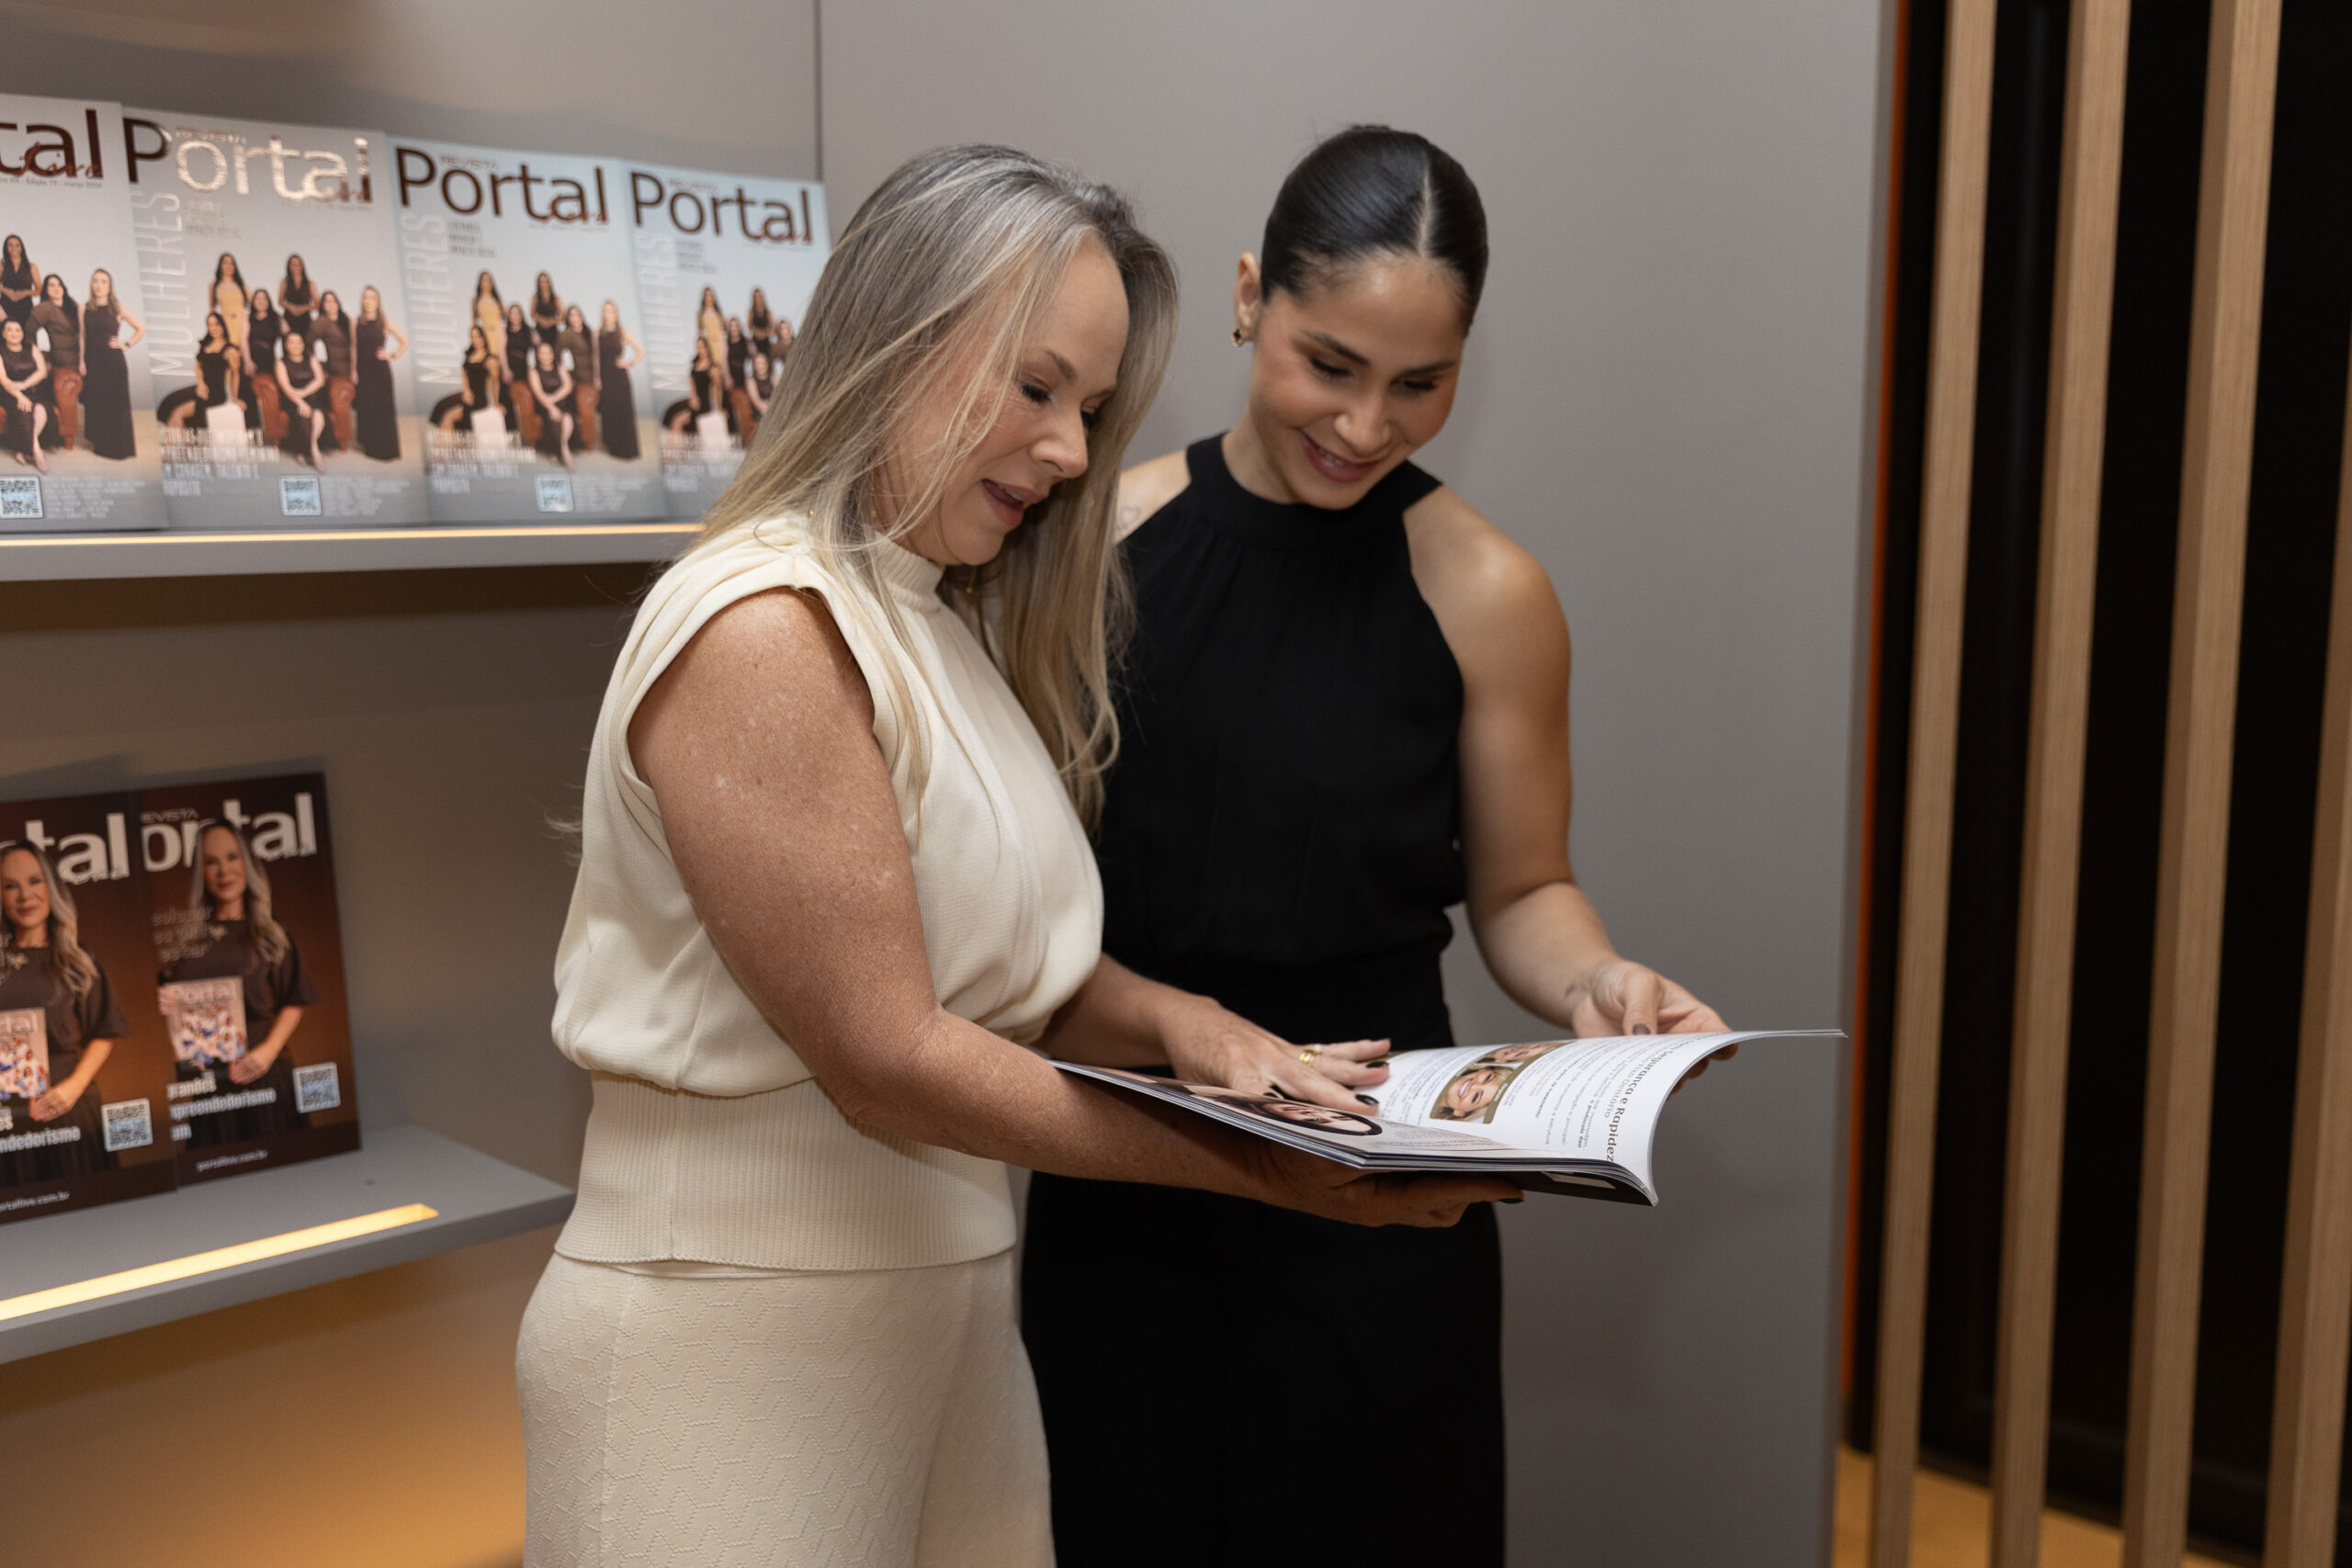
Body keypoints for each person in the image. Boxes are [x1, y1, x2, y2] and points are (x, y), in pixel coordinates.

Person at [514, 143, 1511, 1568]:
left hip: (944, 1320)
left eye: (1088, 409)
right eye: (1036, 389)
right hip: (731, 1332)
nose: (1068, 452)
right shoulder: (765, 624)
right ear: (897, 336)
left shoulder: (934, 614)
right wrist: (1263, 1168)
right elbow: (889, 1055)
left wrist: (1187, 1023)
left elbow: (1003, 978)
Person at [1020, 126, 1728, 1568]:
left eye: (1420, 383)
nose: (1364, 424)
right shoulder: (1096, 547)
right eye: (1329, 364)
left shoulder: (1489, 591)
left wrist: (1595, 980)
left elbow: (1523, 887)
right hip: (1130, 1170)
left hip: (1381, 1196)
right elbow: (1013, 912)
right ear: (1248, 298)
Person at [160, 822, 317, 1148]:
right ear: (201, 872)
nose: (224, 871)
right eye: (212, 861)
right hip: (210, 1088)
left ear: (248, 862)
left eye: (232, 857)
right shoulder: (185, 941)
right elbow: (175, 1014)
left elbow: (296, 998)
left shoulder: (272, 934)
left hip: (264, 1074)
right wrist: (162, 1003)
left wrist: (267, 1053)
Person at [0, 844, 130, 1187]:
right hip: (6, 1125)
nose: (25, 896)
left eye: (35, 881)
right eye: (10, 886)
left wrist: (71, 1090)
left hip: (68, 1112)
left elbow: (104, 1031)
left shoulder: (78, 961)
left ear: (51, 887)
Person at [79, 269, 141, 460]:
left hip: (113, 362)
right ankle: (100, 442)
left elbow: (141, 329)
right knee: (97, 401)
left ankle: (117, 447)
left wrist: (126, 344)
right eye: (95, 281)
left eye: (103, 281)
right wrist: (81, 360)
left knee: (115, 404)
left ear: (109, 286)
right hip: (92, 360)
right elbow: (82, 336)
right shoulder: (83, 308)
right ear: (91, 284)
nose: (99, 285)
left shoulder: (118, 309)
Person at [352, 285, 405, 460]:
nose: (368, 301)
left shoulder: (385, 322)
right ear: (362, 300)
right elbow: (353, 348)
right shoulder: (355, 322)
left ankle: (385, 449)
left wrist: (391, 355)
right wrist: (353, 370)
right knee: (367, 407)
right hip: (363, 370)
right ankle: (370, 446)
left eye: (372, 298)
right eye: (365, 297)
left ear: (378, 302)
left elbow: (404, 342)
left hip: (380, 371)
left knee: (382, 409)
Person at [156, 313, 230, 433]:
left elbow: (235, 374)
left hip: (215, 393)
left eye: (217, 324)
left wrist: (236, 399)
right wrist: (200, 384)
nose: (213, 328)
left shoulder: (230, 348)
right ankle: (180, 439)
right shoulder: (206, 344)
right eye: (210, 325)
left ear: (223, 325)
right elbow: (198, 367)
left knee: (178, 413)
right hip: (202, 386)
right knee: (170, 401)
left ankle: (180, 441)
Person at [29, 275, 79, 448]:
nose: (56, 288)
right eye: (51, 285)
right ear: (46, 290)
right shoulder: (45, 308)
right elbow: (28, 332)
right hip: (64, 360)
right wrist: (37, 355)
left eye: (59, 285)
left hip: (82, 357)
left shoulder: (71, 305)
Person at [0, 318, 55, 473]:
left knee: (41, 410)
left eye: (17, 330)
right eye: (9, 330)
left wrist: (24, 384)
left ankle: (22, 449)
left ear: (22, 333)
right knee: (24, 411)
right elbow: (4, 380)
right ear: (3, 334)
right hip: (10, 393)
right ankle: (37, 453)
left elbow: (42, 372)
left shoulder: (32, 348)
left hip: (34, 390)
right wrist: (20, 395)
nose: (14, 334)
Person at [594, 299, 641, 461]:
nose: (608, 314)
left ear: (616, 314)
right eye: (605, 311)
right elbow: (596, 358)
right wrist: (597, 378)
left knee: (622, 411)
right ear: (602, 314)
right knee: (609, 410)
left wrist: (629, 363)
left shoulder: (623, 333)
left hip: (620, 378)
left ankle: (625, 448)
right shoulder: (597, 333)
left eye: (611, 311)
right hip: (605, 377)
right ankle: (612, 445)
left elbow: (640, 351)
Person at [432, 324, 499, 434]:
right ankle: (447, 444)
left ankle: (446, 445)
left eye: (478, 336)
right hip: (467, 394)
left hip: (478, 399)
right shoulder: (470, 356)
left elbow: (495, 382)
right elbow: (464, 376)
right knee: (442, 406)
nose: (475, 340)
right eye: (472, 337)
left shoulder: (490, 359)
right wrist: (466, 390)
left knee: (448, 417)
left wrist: (496, 403)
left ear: (483, 337)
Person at [275, 330, 328, 468]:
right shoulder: (281, 363)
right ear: (286, 345)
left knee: (318, 414)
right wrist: (300, 402)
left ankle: (305, 450)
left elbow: (320, 380)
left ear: (303, 345)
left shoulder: (311, 358)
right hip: (291, 399)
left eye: (299, 342)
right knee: (302, 416)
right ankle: (314, 452)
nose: (295, 345)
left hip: (312, 396)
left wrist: (304, 392)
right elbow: (286, 388)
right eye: (291, 342)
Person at [661, 335, 725, 437]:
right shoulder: (696, 363)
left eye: (702, 347)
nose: (700, 350)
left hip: (703, 404)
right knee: (672, 410)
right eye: (698, 347)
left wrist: (719, 409)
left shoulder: (713, 368)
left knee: (678, 421)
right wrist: (693, 396)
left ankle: (677, 446)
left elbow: (717, 390)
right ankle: (678, 445)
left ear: (707, 348)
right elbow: (692, 383)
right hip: (694, 399)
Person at [526, 340, 574, 468]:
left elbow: (568, 386)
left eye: (548, 353)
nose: (545, 356)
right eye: (542, 353)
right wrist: (551, 407)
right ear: (537, 355)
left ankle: (561, 448)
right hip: (544, 405)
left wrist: (553, 398)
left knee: (567, 417)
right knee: (553, 418)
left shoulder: (560, 367)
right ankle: (562, 451)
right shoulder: (533, 371)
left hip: (562, 401)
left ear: (553, 354)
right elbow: (539, 393)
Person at [557, 303, 596, 450]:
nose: (575, 318)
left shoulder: (588, 331)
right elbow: (556, 353)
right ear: (568, 318)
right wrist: (565, 372)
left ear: (581, 316)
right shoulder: (567, 334)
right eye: (571, 315)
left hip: (597, 375)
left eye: (577, 314)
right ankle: (585, 441)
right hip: (583, 377)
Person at [245, 288, 283, 437]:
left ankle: (276, 429)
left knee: (272, 390)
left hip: (268, 359)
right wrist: (247, 361)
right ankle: (253, 429)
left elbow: (289, 334)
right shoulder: (248, 318)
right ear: (253, 302)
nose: (261, 301)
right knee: (248, 390)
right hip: (252, 358)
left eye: (264, 299)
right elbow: (243, 340)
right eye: (258, 299)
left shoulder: (276, 317)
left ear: (268, 302)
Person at [210, 254, 248, 359]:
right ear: (220, 265)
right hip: (225, 324)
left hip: (242, 324)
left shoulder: (242, 286)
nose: (229, 266)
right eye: (225, 263)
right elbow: (212, 309)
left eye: (232, 263)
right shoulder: (214, 285)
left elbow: (254, 304)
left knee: (243, 355)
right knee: (228, 356)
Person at [278, 254, 318, 341]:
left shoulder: (310, 284)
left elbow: (317, 304)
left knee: (305, 343)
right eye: (293, 264)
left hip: (305, 320)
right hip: (289, 318)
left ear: (302, 266)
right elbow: (280, 301)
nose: (295, 267)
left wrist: (303, 308)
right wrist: (290, 307)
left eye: (298, 264)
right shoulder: (284, 282)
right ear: (289, 267)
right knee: (288, 342)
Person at [472, 270, 506, 368]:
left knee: (500, 361)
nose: (486, 283)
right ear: (480, 282)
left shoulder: (498, 299)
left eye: (488, 280)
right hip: (485, 335)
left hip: (499, 334)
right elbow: (474, 322)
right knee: (488, 362)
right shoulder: (475, 300)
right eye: (484, 280)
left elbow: (506, 316)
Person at [0, 236, 35, 330]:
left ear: (21, 247)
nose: (14, 248)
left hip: (25, 307)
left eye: (17, 245)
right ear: (6, 248)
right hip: (6, 306)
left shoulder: (31, 266)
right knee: (5, 334)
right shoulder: (2, 265)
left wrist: (26, 292)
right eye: (10, 245)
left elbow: (39, 289)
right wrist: (4, 290)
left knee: (26, 334)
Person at [695, 284, 727, 384]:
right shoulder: (700, 313)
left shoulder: (719, 313)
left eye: (711, 295)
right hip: (708, 345)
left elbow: (724, 328)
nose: (709, 298)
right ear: (704, 297)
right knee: (711, 372)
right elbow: (699, 332)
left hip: (720, 344)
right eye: (707, 295)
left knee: (721, 370)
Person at [529, 272, 562, 346]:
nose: (543, 284)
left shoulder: (556, 298)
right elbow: (532, 315)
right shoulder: (535, 297)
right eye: (541, 282)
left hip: (553, 331)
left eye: (545, 282)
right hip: (540, 330)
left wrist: (551, 321)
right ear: (538, 283)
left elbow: (563, 316)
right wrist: (541, 320)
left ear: (549, 282)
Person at [747, 286, 778, 358]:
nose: (758, 299)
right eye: (756, 297)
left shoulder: (768, 312)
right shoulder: (751, 311)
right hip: (755, 341)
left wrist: (764, 334)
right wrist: (758, 333)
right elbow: (749, 327)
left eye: (759, 297)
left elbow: (773, 327)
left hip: (766, 342)